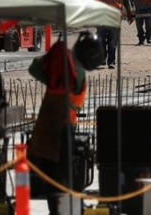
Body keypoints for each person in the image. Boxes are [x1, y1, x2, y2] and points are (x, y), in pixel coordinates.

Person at [27, 32, 102, 214]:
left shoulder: (70, 72)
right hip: (58, 131)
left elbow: (35, 69)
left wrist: (55, 56)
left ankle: (59, 211)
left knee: (57, 182)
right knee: (57, 181)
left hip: (60, 132)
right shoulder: (70, 71)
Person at [91, 0, 134, 68]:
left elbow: (126, 2)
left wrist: (130, 13)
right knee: (101, 40)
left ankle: (111, 61)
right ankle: (102, 59)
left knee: (112, 43)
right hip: (101, 20)